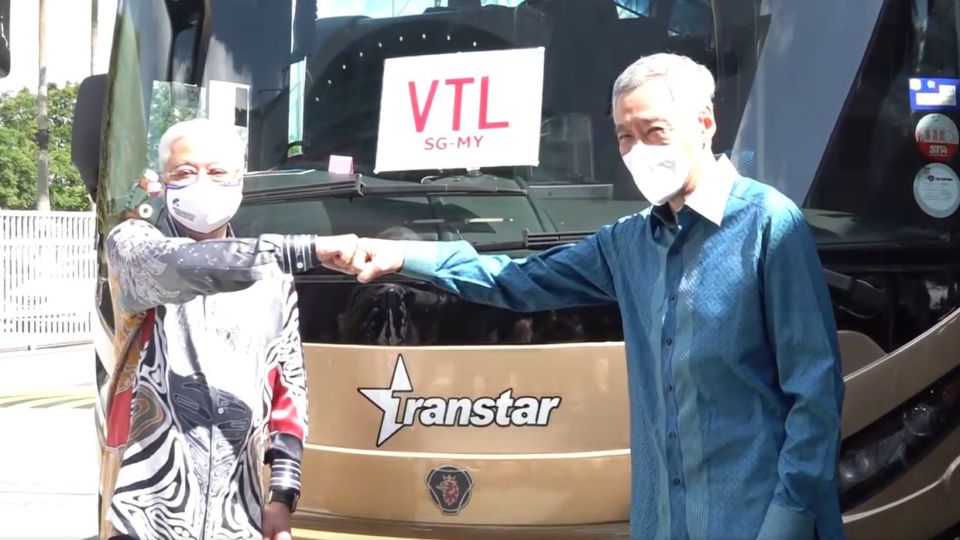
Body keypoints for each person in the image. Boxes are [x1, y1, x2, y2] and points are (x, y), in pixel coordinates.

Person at [334, 53, 845, 540]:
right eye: (625, 137)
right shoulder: (627, 243)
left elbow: (816, 396)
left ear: (705, 124)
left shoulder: (768, 225)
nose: (639, 152)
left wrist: (787, 522)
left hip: (756, 522)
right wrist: (404, 256)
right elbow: (517, 280)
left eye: (654, 132)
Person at [100, 118, 357, 540]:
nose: (202, 183)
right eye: (185, 172)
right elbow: (185, 266)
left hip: (239, 516)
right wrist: (305, 249)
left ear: (239, 182)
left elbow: (288, 389)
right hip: (145, 516)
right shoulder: (133, 246)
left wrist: (282, 496)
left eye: (217, 172)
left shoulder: (273, 278)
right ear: (163, 183)